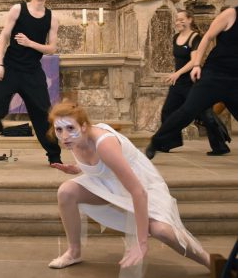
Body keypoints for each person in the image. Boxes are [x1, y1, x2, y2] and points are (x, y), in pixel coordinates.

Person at [47, 100, 210, 272]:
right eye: (59, 129)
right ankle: (74, 252)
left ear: (84, 126)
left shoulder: (105, 144)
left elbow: (138, 192)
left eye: (70, 128)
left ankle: (211, 261)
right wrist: (76, 168)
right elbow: (98, 161)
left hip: (141, 185)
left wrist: (141, 243)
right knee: (66, 192)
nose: (64, 136)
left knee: (161, 230)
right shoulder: (73, 139)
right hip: (108, 183)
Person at [0, 0, 62, 164]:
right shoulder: (18, 9)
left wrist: (29, 43)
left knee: (43, 116)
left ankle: (54, 156)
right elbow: (3, 36)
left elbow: (51, 48)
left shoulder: (52, 18)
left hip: (32, 72)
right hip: (10, 67)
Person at [145, 6, 238, 160]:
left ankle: (220, 146)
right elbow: (207, 37)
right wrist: (196, 65)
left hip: (235, 81)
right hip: (213, 75)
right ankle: (156, 142)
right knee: (187, 112)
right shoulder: (231, 14)